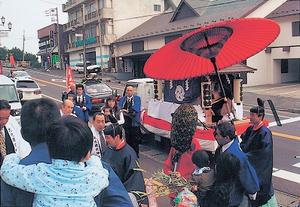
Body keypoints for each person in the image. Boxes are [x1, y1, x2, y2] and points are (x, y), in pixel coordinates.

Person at [1, 98, 133, 207]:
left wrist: (11, 157)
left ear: (23, 134)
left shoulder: (20, 174)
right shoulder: (98, 172)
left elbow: (7, 171)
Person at [1, 116, 109, 207]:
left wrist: (13, 156)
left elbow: (7, 171)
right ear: (87, 154)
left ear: (49, 148)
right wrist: (94, 159)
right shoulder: (95, 177)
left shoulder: (40, 174)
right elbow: (101, 171)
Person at [214, 121, 260, 207]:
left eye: (217, 134)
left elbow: (247, 174)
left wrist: (252, 190)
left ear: (226, 138)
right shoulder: (224, 148)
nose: (215, 137)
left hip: (233, 197)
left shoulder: (237, 156)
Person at [102, 123, 148, 206]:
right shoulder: (107, 150)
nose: (106, 140)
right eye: (105, 137)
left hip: (120, 194)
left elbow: (135, 179)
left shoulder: (129, 154)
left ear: (117, 137)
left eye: (108, 138)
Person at [240, 106, 277, 207]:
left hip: (260, 165)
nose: (250, 117)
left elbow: (264, 153)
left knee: (260, 186)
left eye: (252, 115)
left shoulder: (265, 132)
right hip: (250, 161)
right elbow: (243, 141)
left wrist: (247, 156)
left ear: (260, 117)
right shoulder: (250, 129)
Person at [164, 104, 201, 179]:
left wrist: (182, 177)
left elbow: (197, 172)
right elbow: (168, 165)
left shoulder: (194, 145)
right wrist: (170, 173)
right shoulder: (175, 145)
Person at [0, 99, 31, 166]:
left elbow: (22, 145)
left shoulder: (11, 122)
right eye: (0, 118)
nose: (4, 122)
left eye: (7, 118)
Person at [118, 86, 141, 157]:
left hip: (134, 122)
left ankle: (136, 154)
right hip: (126, 122)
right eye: (128, 90)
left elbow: (135, 110)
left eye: (131, 90)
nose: (129, 92)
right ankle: (129, 154)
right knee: (128, 139)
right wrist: (125, 111)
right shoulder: (122, 99)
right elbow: (119, 108)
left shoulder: (137, 99)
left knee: (135, 140)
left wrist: (126, 111)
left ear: (133, 91)